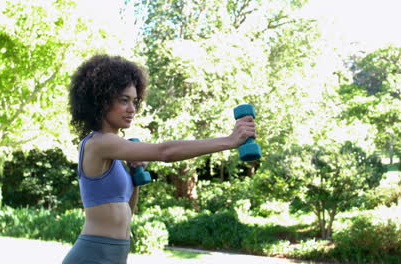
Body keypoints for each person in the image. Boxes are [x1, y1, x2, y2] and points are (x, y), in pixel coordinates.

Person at [62, 54, 256, 264]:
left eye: (134, 101)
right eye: (123, 100)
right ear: (100, 101)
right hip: (92, 254)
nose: (132, 109)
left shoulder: (115, 152)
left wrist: (135, 178)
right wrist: (230, 140)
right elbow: (165, 152)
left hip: (115, 253)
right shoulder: (99, 143)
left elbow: (127, 212)